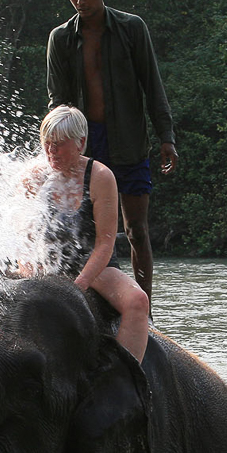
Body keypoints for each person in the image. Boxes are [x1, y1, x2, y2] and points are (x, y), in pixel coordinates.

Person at [47, 0, 176, 308]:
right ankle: (82, 304)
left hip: (129, 141)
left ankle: (146, 309)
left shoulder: (131, 28)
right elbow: (57, 104)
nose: (80, 1)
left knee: (136, 229)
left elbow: (153, 84)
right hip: (84, 145)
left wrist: (166, 137)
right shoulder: (60, 38)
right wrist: (56, 149)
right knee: (81, 231)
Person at [26, 105, 149, 363]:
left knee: (137, 301)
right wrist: (29, 270)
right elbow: (24, 236)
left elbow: (105, 243)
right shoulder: (35, 176)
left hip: (94, 266)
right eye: (47, 143)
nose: (52, 151)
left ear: (81, 143)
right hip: (49, 262)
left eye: (59, 144)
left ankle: (125, 380)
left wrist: (79, 285)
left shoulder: (100, 176)